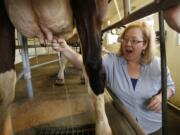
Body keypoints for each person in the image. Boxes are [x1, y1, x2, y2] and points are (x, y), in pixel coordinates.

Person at [51, 21, 175, 135]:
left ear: (145, 44)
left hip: (154, 127)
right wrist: (66, 49)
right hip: (124, 126)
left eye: (134, 40)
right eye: (125, 39)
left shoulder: (157, 64)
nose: (127, 44)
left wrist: (162, 96)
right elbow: (88, 64)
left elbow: (170, 86)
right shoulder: (112, 61)